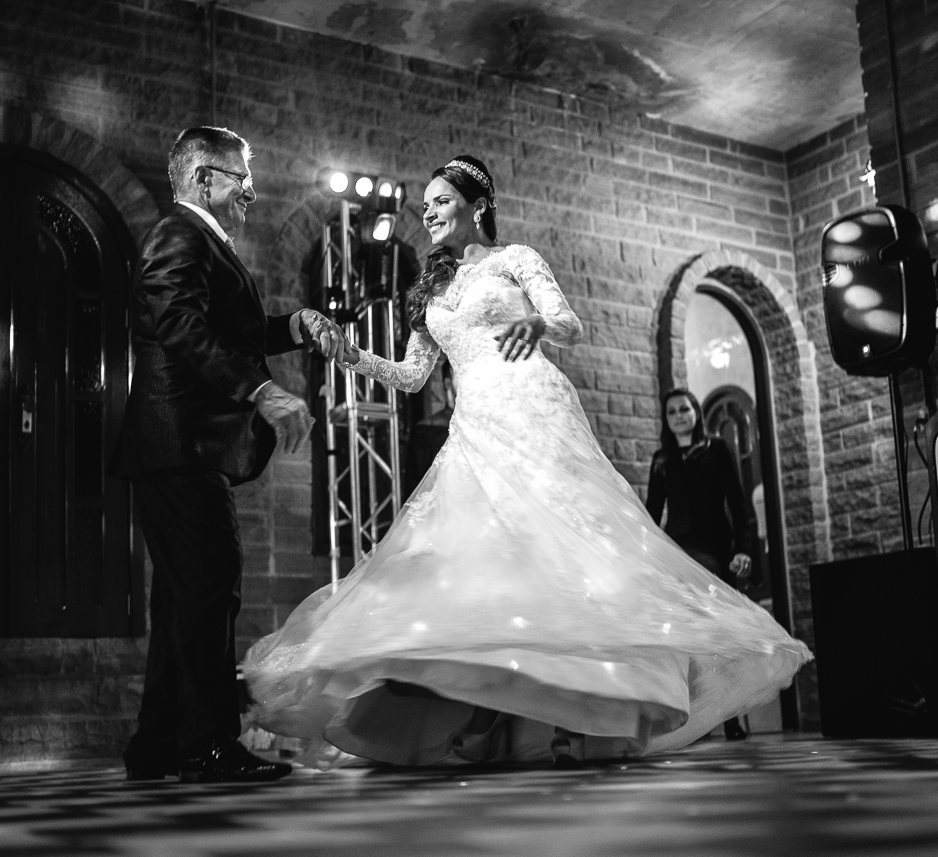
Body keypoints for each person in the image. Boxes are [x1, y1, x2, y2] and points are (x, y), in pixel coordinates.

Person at [243, 155, 810, 767]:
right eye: (424, 205)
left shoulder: (516, 259)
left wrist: (537, 323)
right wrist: (353, 357)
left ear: (478, 205)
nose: (428, 213)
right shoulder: (429, 289)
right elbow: (412, 377)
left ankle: (575, 717)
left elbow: (571, 324)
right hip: (475, 426)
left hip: (534, 409)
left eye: (440, 200)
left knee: (558, 554)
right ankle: (493, 713)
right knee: (486, 566)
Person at [111, 126, 346, 783]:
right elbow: (180, 327)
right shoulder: (178, 235)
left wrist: (295, 325)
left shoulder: (200, 242)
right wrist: (261, 390)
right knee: (210, 586)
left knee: (185, 597)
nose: (251, 193)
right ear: (203, 178)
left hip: (180, 447)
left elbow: (227, 330)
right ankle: (207, 745)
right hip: (177, 442)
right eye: (242, 179)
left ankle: (157, 745)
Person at [645, 389, 759, 741]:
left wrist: (744, 549)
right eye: (672, 412)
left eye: (685, 409)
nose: (679, 416)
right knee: (682, 637)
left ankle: (731, 719)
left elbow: (738, 503)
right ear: (666, 420)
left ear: (696, 412)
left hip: (714, 551)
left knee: (719, 635)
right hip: (676, 551)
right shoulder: (662, 460)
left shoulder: (716, 449)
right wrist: (641, 552)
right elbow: (652, 512)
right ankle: (690, 720)